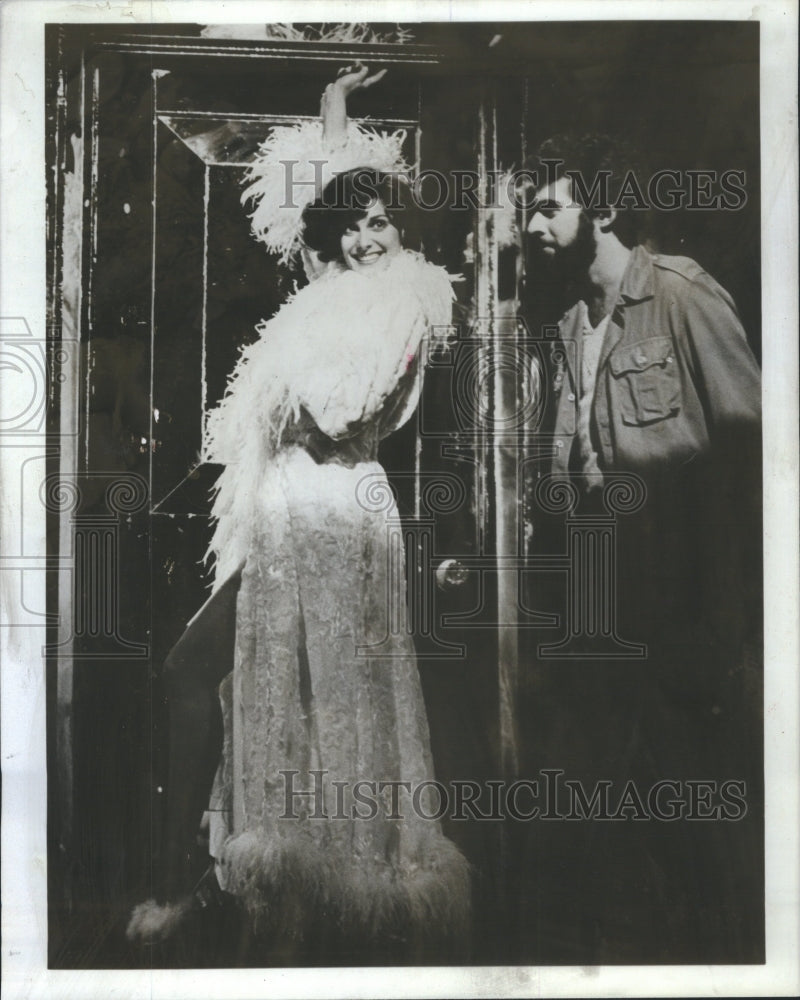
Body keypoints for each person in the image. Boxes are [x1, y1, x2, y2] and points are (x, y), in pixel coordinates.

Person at [126, 64, 470, 960]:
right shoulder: (332, 300)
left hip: (333, 514)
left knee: (324, 693)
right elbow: (311, 244)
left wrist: (290, 367)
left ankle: (316, 894)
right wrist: (335, 114)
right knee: (241, 682)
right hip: (291, 515)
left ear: (401, 230)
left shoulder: (405, 300)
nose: (366, 238)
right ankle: (244, 888)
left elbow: (341, 410)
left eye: (380, 220)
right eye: (350, 223)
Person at [515, 133, 763, 962]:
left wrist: (727, 607)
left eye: (550, 206)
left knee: (699, 810)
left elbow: (753, 452)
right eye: (528, 210)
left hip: (680, 603)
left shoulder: (681, 293)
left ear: (606, 209)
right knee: (601, 809)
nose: (533, 225)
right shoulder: (571, 320)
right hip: (597, 603)